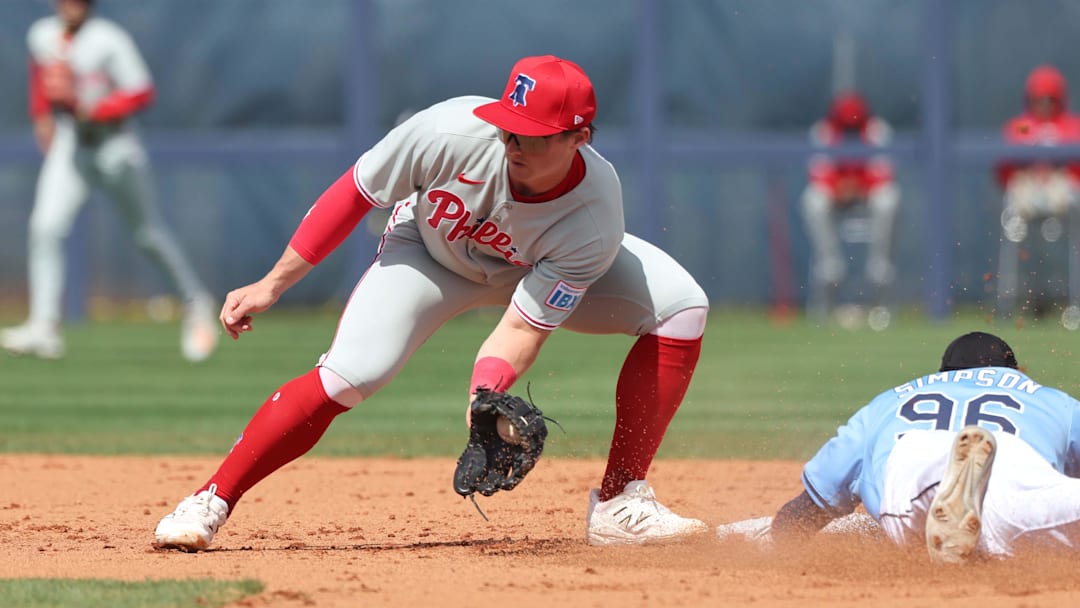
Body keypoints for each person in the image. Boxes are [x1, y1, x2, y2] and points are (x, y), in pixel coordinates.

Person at [153, 55, 711, 551]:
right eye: (509, 129)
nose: (513, 144)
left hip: (529, 272)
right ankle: (211, 498)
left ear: (578, 137)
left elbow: (522, 327)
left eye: (533, 135)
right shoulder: (449, 132)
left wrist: (484, 397)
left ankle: (618, 503)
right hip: (429, 254)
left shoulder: (593, 217)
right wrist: (274, 283)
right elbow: (355, 192)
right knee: (350, 375)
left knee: (682, 305)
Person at [718, 332, 1080, 564]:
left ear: (942, 373)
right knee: (1048, 508)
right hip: (1014, 460)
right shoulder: (1054, 401)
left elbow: (808, 509)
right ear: (1014, 371)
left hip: (916, 462)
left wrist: (782, 548)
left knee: (924, 501)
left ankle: (952, 496)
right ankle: (962, 500)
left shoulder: (887, 403)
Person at [2, 0, 218, 361]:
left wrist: (98, 109)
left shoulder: (108, 39)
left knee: (147, 235)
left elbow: (141, 90)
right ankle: (44, 327)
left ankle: (196, 304)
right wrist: (41, 116)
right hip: (73, 144)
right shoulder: (42, 34)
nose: (73, 5)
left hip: (115, 145)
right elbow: (39, 77)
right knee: (45, 227)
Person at [801, 91, 899, 330]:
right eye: (846, 125)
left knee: (888, 198)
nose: (850, 129)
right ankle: (830, 267)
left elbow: (884, 172)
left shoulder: (877, 130)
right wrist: (838, 187)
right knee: (813, 200)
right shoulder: (823, 131)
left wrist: (859, 186)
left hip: (866, 194)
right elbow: (818, 172)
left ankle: (879, 269)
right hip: (835, 194)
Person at [994, 65, 1080, 327]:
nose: (1043, 104)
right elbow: (1004, 169)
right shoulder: (1020, 126)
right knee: (1016, 200)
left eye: (1049, 98)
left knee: (1067, 192)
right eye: (1038, 98)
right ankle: (1009, 302)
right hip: (1027, 189)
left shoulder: (1072, 125)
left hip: (1060, 190)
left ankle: (1072, 304)